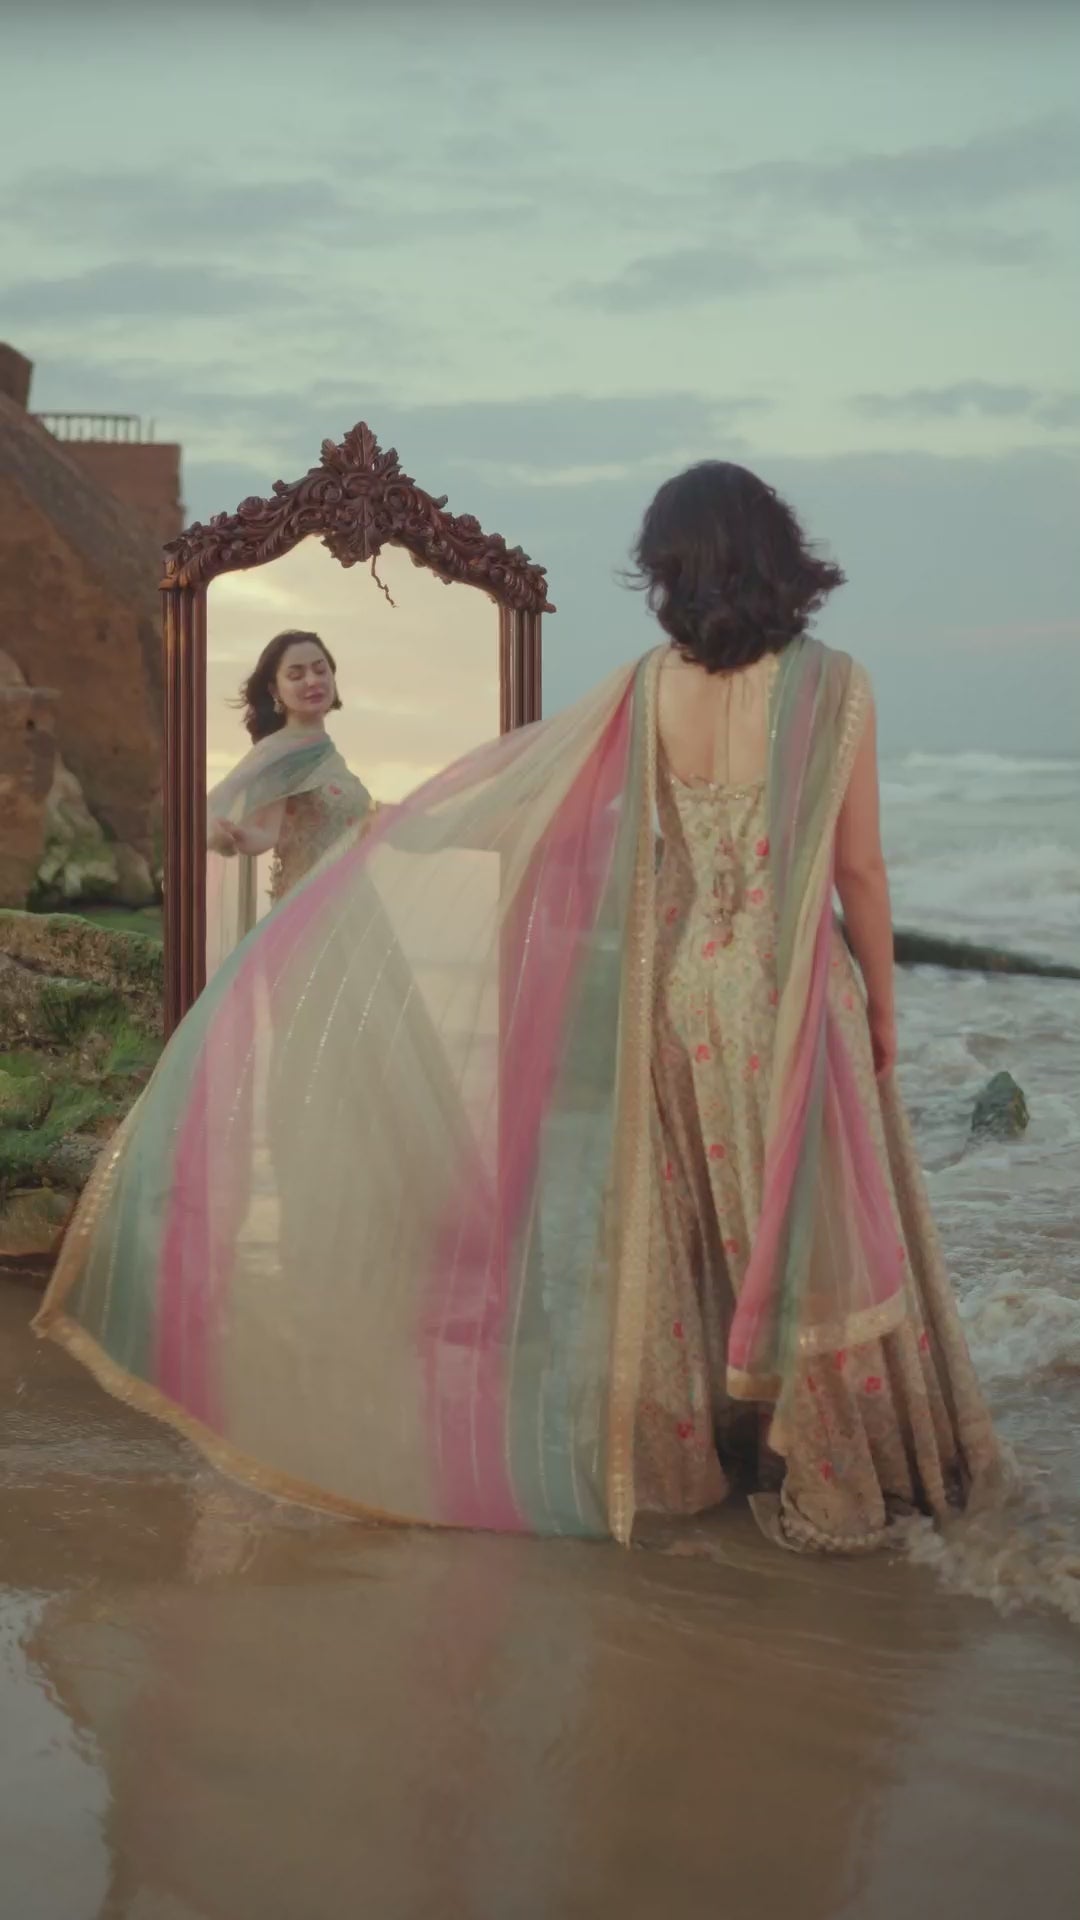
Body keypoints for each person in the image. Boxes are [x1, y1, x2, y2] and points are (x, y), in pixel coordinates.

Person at [35, 464, 1000, 1555]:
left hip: (686, 989)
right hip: (787, 989)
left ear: (672, 572)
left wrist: (404, 832)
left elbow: (557, 813)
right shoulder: (835, 685)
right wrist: (882, 1006)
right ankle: (834, 1465)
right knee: (806, 1214)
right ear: (776, 551)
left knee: (700, 1215)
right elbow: (858, 872)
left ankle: (711, 1448)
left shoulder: (649, 689)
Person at [205, 629, 375, 971]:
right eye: (296, 675)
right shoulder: (280, 751)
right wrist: (232, 833)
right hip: (310, 917)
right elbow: (263, 832)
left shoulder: (323, 750)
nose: (312, 680)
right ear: (274, 690)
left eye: (320, 669)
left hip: (355, 910)